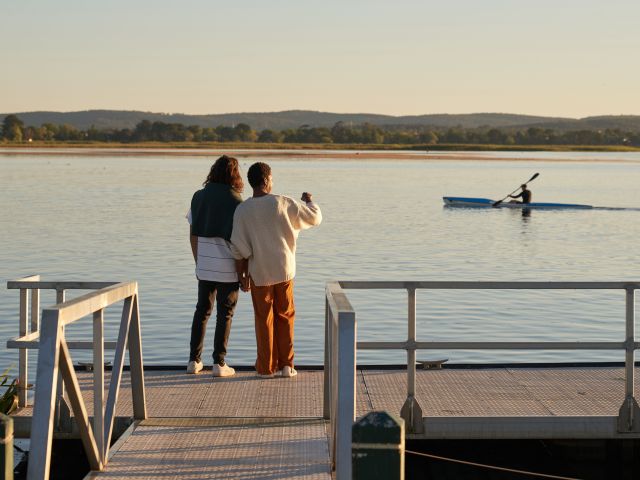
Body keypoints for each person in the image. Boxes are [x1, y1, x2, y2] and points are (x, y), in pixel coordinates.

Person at [230, 162, 322, 378]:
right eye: (271, 178)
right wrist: (309, 200)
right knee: (285, 316)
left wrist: (242, 275)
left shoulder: (243, 210)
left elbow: (238, 248)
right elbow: (314, 218)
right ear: (267, 179)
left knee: (264, 320)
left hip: (260, 272)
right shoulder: (283, 202)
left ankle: (265, 368)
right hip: (284, 270)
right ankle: (287, 366)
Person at [186, 155, 245, 377]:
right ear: (235, 175)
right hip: (228, 267)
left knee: (202, 311)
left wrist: (198, 262)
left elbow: (192, 234)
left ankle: (194, 360)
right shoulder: (237, 201)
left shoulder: (198, 197)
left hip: (204, 265)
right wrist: (244, 272)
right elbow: (240, 242)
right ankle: (219, 363)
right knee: (225, 314)